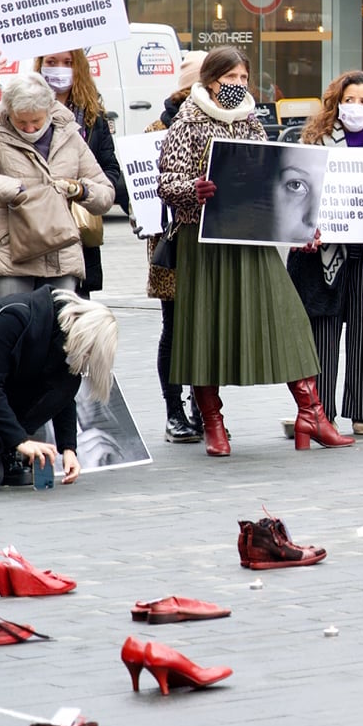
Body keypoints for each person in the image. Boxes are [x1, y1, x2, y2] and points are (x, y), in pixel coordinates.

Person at [156, 45, 348, 456]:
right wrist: (193, 189)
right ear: (211, 81)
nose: (239, 86)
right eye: (231, 79)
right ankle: (213, 423)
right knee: (203, 329)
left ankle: (311, 413)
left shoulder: (250, 119)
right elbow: (166, 181)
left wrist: (299, 222)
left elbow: (272, 171)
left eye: (244, 79)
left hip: (250, 235)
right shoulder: (187, 122)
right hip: (203, 241)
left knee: (286, 319)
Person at [286, 71, 363, 438]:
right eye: (350, 99)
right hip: (323, 254)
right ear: (337, 102)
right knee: (322, 332)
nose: (357, 107)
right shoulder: (313, 142)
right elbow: (295, 194)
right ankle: (321, 411)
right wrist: (303, 230)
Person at [0, 285, 116, 493]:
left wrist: (69, 449)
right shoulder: (16, 316)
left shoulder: (59, 331)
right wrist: (19, 441)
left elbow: (64, 392)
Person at [0, 72, 115, 299]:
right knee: (12, 330)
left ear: (49, 109)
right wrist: (14, 189)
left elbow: (106, 194)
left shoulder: (69, 134)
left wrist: (80, 190)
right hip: (9, 257)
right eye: (21, 122)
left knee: (58, 331)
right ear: (8, 112)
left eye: (36, 121)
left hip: (61, 256)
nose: (29, 129)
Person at [38, 49, 127, 295]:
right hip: (36, 226)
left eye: (68, 63)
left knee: (75, 313)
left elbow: (109, 168)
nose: (60, 69)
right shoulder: (25, 114)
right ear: (40, 65)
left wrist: (86, 190)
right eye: (51, 62)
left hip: (77, 228)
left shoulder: (93, 117)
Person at [147, 56, 203, 444]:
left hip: (211, 242)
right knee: (174, 327)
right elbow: (138, 191)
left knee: (207, 329)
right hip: (172, 243)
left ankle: (203, 408)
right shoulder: (158, 129)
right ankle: (174, 411)